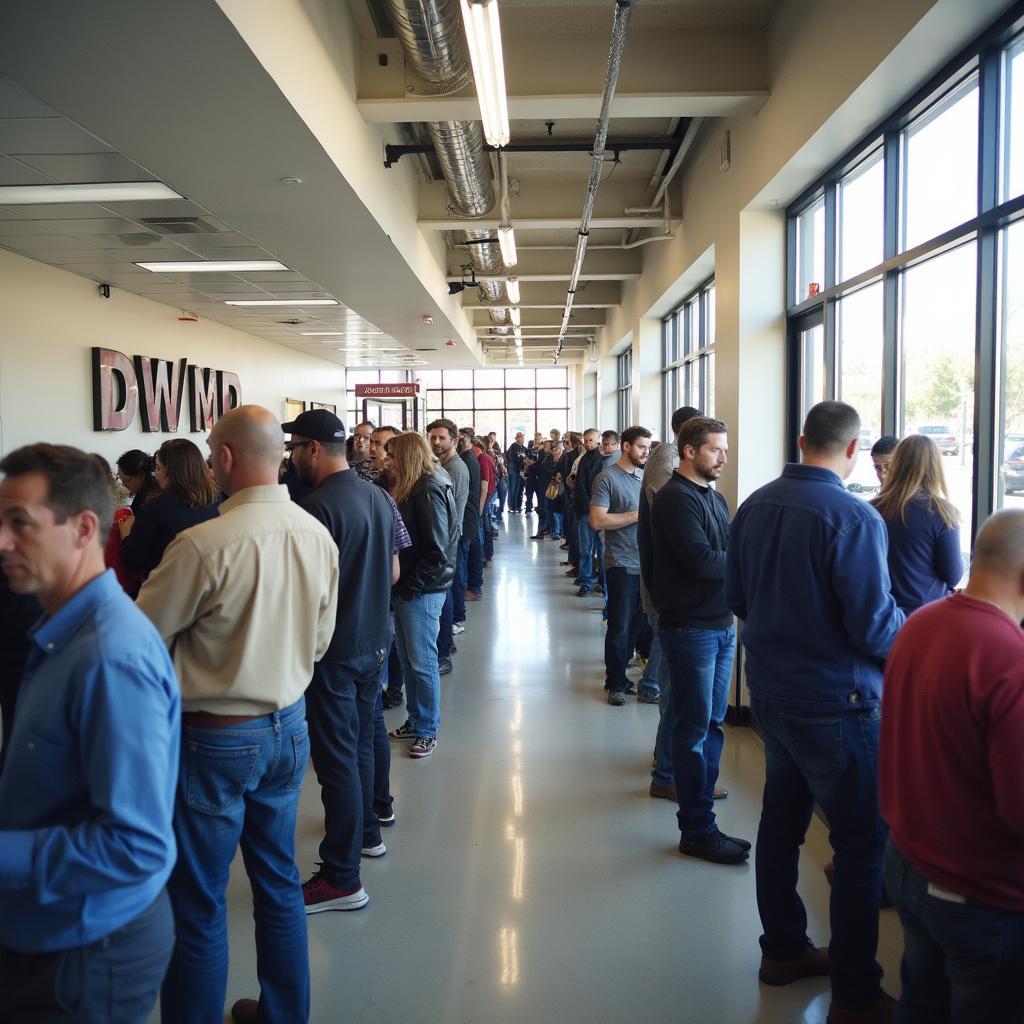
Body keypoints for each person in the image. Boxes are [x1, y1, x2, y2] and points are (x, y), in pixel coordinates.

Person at [136, 406, 339, 1024]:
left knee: (198, 900)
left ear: (222, 458)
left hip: (215, 739)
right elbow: (320, 639)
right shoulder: (315, 534)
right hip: (289, 727)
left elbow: (140, 640)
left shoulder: (201, 545)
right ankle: (284, 1014)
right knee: (278, 883)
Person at [727, 401, 904, 1023]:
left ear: (803, 441)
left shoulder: (753, 505)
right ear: (853, 450)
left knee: (781, 825)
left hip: (772, 694)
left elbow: (739, 598)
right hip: (839, 704)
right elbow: (873, 625)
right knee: (860, 846)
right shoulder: (854, 519)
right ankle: (855, 991)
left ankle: (782, 952)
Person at [0, 443, 178, 1022]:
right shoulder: (60, 631)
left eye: (19, 525)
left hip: (84, 955)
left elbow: (138, 845)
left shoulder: (110, 658)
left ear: (81, 529)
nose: (2, 543)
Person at [880, 509, 1024, 1024]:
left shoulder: (922, 621)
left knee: (920, 1001)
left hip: (908, 863)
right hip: (978, 894)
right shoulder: (1008, 659)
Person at [281, 408, 398, 914]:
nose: (289, 457)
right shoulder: (376, 495)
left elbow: (300, 594)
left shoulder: (315, 509)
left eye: (293, 448)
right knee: (364, 741)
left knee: (337, 761)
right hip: (375, 640)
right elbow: (393, 570)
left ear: (312, 449)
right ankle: (368, 833)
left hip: (336, 652)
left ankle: (341, 877)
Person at [651, 417, 746, 864]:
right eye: (715, 450)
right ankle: (697, 828)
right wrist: (748, 560)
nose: (723, 458)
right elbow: (703, 561)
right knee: (692, 730)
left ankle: (704, 817)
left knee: (710, 724)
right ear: (689, 451)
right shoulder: (675, 498)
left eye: (724, 450)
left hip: (718, 624)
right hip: (691, 628)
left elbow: (724, 552)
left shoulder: (715, 497)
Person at [638, 407, 705, 798]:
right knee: (677, 689)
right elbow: (681, 539)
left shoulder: (672, 469)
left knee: (680, 689)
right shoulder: (668, 469)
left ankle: (669, 761)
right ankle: (669, 770)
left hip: (673, 596)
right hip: (668, 596)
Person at [385, 432, 459, 759]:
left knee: (423, 661)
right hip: (411, 587)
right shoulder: (416, 486)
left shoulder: (427, 490)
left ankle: (427, 729)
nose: (388, 462)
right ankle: (416, 720)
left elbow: (436, 551)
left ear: (407, 457)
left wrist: (410, 587)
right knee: (409, 658)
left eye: (392, 456)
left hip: (423, 590)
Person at [590, 426, 653, 705]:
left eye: (649, 448)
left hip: (647, 565)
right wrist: (638, 514)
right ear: (625, 447)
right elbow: (598, 520)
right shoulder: (607, 479)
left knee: (641, 626)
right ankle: (615, 682)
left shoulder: (645, 478)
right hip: (621, 564)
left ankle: (623, 675)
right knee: (619, 626)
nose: (646, 452)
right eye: (642, 447)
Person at [871, 434, 963, 614]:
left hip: (882, 614)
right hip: (927, 615)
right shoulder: (941, 512)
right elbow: (953, 575)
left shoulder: (871, 509)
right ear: (935, 467)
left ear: (897, 464)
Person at [121, 438, 220, 582]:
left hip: (165, 589)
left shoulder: (156, 507)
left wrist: (125, 534)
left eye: (159, 468)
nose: (155, 474)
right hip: (208, 585)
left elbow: (132, 561)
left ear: (173, 472)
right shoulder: (218, 501)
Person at [429, 419, 469, 678]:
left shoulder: (456, 469)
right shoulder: (442, 466)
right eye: (432, 437)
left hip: (447, 542)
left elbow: (453, 513)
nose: (436, 442)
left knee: (443, 598)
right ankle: (446, 644)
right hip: (445, 541)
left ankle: (443, 653)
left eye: (441, 438)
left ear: (454, 440)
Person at [574, 429, 618, 597]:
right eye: (585, 440)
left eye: (591, 440)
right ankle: (586, 581)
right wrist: (588, 506)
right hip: (587, 511)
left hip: (605, 512)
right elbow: (580, 485)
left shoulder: (610, 461)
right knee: (585, 549)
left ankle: (604, 583)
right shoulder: (585, 459)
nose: (588, 443)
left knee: (602, 551)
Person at [459, 433, 485, 606]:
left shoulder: (466, 462)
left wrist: (480, 511)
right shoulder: (470, 459)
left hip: (468, 514)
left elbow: (484, 487)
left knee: (466, 555)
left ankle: (471, 588)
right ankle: (474, 586)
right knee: (474, 551)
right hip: (471, 513)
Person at [506, 432, 528, 512]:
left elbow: (526, 459)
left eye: (522, 437)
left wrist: (523, 467)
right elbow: (511, 458)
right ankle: (512, 506)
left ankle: (518, 506)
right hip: (513, 471)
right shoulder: (513, 447)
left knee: (520, 488)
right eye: (519, 437)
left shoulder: (524, 449)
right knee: (513, 488)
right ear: (516, 438)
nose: (521, 439)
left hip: (521, 471)